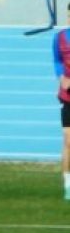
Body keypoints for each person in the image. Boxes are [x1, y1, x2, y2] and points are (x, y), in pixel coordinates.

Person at [54, 25, 70, 199]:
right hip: (68, 98)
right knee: (68, 140)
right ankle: (68, 185)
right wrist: (61, 77)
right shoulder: (60, 37)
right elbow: (57, 61)